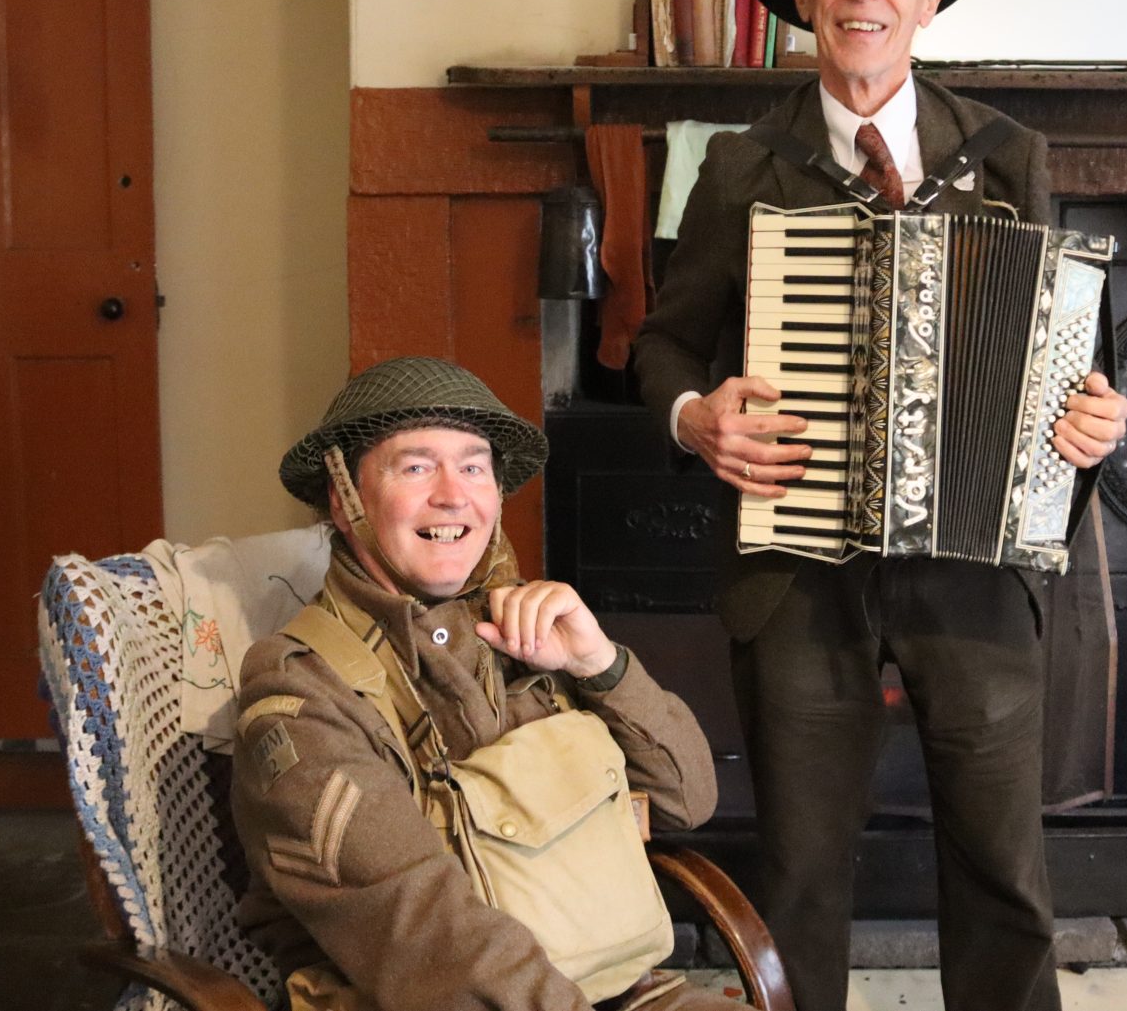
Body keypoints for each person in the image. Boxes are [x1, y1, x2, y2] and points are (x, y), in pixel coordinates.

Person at [632, 0, 1127, 1011]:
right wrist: (693, 415)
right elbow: (660, 345)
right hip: (798, 571)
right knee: (801, 866)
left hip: (973, 566)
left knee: (1003, 865)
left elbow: (1062, 346)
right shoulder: (738, 165)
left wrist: (1092, 417)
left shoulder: (1006, 154)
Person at [231, 356, 745, 1011]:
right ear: (345, 498)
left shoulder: (520, 628)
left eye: (474, 466)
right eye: (415, 466)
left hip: (612, 986)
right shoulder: (301, 689)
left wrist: (599, 664)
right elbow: (424, 931)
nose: (453, 494)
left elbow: (688, 799)